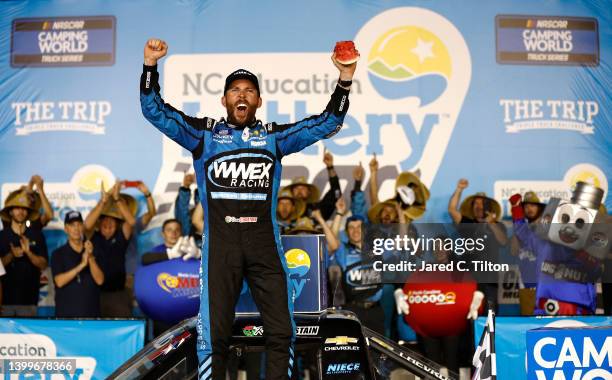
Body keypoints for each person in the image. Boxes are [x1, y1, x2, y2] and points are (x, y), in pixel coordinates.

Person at [140, 38, 356, 379]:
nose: (242, 95)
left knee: (282, 333)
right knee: (214, 338)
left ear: (258, 100)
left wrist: (345, 79)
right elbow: (154, 110)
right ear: (224, 99)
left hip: (265, 246)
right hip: (221, 248)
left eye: (249, 90)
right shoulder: (204, 136)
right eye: (235, 90)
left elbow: (326, 123)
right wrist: (150, 66)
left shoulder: (273, 138)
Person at [448, 178, 508, 313]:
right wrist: (459, 189)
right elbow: (452, 210)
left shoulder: (498, 225)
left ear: (488, 207)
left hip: (490, 281)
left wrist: (491, 224)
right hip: (469, 281)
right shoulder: (467, 224)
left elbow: (504, 242)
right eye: (476, 203)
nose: (479, 206)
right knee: (469, 316)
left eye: (482, 204)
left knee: (490, 317)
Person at [84, 182, 136, 317]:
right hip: (94, 293)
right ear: (99, 222)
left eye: (112, 220)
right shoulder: (93, 236)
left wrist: (117, 198)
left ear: (117, 223)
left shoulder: (121, 236)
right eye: (105, 219)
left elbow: (131, 222)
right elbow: (87, 225)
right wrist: (103, 201)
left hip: (118, 294)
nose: (108, 223)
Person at [0, 189, 49, 316]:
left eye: (24, 208)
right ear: (10, 211)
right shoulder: (1, 236)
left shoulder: (37, 235)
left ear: (28, 212)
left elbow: (43, 265)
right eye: (17, 208)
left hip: (29, 302)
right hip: (4, 303)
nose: (20, 212)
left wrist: (29, 253)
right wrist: (11, 256)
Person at [51, 211, 104, 317]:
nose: (76, 229)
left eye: (79, 224)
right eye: (72, 225)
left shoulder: (93, 251)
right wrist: (82, 265)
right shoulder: (58, 254)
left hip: (91, 315)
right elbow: (59, 282)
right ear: (66, 229)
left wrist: (90, 257)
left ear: (83, 227)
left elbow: (100, 280)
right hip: (66, 317)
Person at [509, 191, 544, 315]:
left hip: (545, 283)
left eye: (533, 205)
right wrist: (517, 230)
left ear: (539, 208)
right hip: (526, 282)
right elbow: (513, 251)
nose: (529, 208)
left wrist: (516, 213)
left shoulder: (547, 227)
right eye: (526, 206)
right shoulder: (522, 229)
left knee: (549, 322)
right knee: (529, 321)